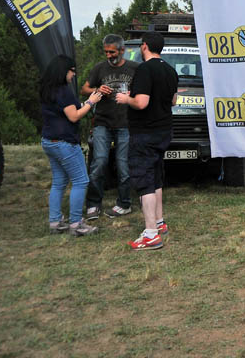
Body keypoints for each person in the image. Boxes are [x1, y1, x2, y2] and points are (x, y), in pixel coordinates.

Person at [116, 31, 178, 250]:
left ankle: (151, 234)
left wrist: (126, 99)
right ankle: (159, 222)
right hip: (163, 131)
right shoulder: (170, 70)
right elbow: (173, 100)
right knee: (155, 177)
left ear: (144, 46)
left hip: (145, 133)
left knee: (144, 181)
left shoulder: (144, 69)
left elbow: (141, 103)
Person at [39, 55, 102, 236]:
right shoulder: (63, 91)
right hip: (64, 143)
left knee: (59, 182)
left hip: (49, 141)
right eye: (72, 71)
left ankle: (55, 222)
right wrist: (91, 102)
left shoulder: (47, 89)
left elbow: (66, 110)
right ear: (63, 71)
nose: (73, 75)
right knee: (81, 181)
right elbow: (74, 116)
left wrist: (83, 104)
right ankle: (76, 224)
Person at [82, 34, 138, 220]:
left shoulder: (134, 68)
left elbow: (143, 91)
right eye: (106, 52)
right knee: (99, 162)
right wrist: (97, 90)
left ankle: (124, 203)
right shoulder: (99, 68)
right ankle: (93, 204)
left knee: (123, 165)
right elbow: (84, 89)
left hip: (126, 123)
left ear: (122, 50)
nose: (108, 55)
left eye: (112, 52)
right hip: (102, 122)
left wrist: (132, 94)